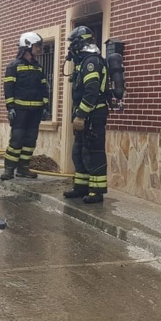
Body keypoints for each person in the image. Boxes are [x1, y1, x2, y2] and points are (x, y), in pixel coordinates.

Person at [62, 26, 109, 204]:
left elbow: (92, 90)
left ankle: (96, 192)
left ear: (80, 43)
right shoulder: (83, 62)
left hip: (93, 115)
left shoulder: (91, 62)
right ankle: (81, 186)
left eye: (72, 44)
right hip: (85, 115)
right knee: (79, 151)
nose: (70, 49)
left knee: (93, 153)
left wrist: (81, 115)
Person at [1, 32, 49, 180]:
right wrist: (11, 108)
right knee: (17, 139)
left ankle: (23, 168)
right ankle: (9, 169)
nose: (39, 49)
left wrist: (45, 106)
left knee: (30, 141)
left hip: (35, 111)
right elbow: (8, 88)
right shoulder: (13, 66)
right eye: (37, 46)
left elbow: (44, 88)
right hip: (20, 111)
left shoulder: (38, 67)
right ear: (27, 46)